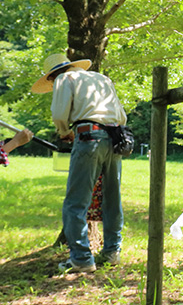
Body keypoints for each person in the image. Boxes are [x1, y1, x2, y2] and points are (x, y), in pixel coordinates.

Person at [31, 53, 127, 273]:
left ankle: (82, 259)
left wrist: (64, 132)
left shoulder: (65, 80)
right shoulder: (103, 79)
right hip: (116, 138)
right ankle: (112, 252)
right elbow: (121, 115)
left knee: (75, 202)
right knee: (112, 198)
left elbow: (59, 113)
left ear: (55, 75)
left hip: (88, 136)